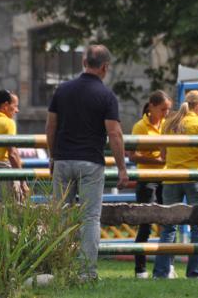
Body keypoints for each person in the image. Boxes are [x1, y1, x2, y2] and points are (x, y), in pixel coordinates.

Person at [45, 44, 129, 281]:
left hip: (62, 160)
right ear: (105, 67)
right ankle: (86, 272)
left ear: (84, 63)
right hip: (91, 162)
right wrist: (122, 167)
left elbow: (50, 126)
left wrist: (53, 156)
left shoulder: (62, 90)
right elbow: (114, 134)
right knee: (90, 218)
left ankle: (57, 268)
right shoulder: (106, 96)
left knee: (59, 215)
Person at [153, 90, 198, 278]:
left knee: (169, 226)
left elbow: (163, 155)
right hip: (194, 177)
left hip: (171, 178)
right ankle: (194, 271)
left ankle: (161, 271)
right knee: (197, 226)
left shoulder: (168, 123)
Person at [128, 90, 172, 279]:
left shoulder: (166, 124)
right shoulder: (140, 127)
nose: (166, 113)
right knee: (145, 223)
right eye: (163, 109)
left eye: (168, 109)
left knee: (168, 222)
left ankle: (166, 267)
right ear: (152, 107)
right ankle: (140, 269)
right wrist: (158, 162)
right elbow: (131, 155)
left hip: (166, 177)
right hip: (146, 177)